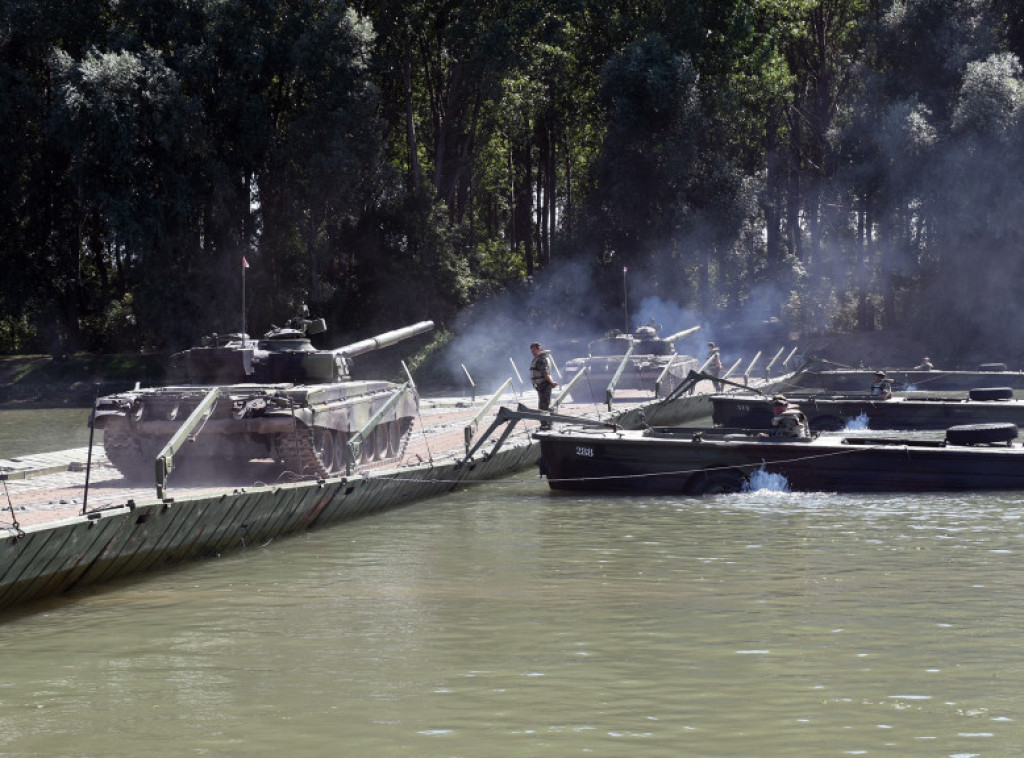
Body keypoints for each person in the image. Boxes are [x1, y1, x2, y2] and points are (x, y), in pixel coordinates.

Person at [530, 341, 558, 427]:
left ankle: (546, 424)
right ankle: (545, 423)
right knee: (543, 405)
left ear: (539, 349)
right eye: (531, 351)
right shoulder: (539, 358)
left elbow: (544, 373)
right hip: (541, 385)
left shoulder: (541, 360)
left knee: (544, 406)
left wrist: (551, 382)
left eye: (534, 350)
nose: (532, 353)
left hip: (544, 384)